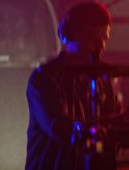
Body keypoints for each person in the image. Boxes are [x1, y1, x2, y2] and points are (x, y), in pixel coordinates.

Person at [25, 2, 122, 170]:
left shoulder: (101, 80)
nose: (100, 47)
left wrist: (128, 121)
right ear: (70, 34)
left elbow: (109, 129)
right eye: (93, 40)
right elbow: (61, 129)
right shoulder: (44, 79)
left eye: (104, 39)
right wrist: (93, 132)